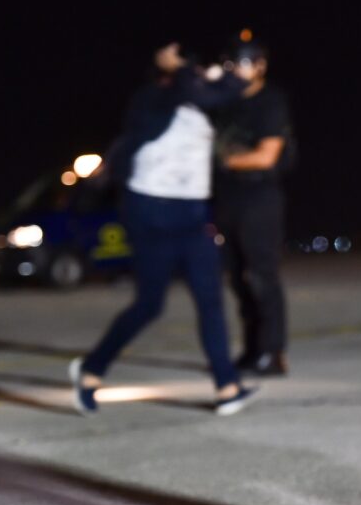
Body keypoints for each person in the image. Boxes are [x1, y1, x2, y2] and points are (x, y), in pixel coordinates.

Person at [70, 43, 256, 417]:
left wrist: (228, 76)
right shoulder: (153, 98)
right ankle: (91, 370)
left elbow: (220, 95)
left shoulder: (199, 104)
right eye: (185, 66)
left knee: (210, 300)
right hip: (150, 211)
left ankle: (227, 386)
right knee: (149, 305)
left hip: (191, 213)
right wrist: (184, 69)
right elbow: (192, 88)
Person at [212, 35, 293, 377]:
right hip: (227, 199)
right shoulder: (224, 102)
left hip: (259, 199)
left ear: (260, 65)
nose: (235, 69)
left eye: (243, 62)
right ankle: (252, 348)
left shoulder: (270, 101)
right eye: (231, 63)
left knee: (262, 276)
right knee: (236, 278)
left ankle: (273, 353)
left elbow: (266, 155)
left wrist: (225, 159)